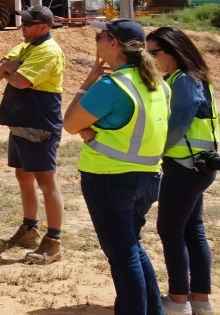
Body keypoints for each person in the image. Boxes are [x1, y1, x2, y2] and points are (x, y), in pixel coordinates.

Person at [65, 18, 170, 315]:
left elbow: (70, 124)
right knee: (131, 248)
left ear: (113, 44)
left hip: (110, 179)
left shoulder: (112, 85)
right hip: (148, 178)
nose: (95, 39)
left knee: (123, 256)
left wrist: (87, 84)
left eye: (100, 35)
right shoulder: (158, 84)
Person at [0, 5, 65, 263]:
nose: (23, 27)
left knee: (46, 180)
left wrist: (9, 69)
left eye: (29, 24)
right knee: (23, 176)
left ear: (45, 27)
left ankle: (53, 240)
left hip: (38, 122)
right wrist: (10, 67)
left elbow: (20, 80)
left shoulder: (48, 51)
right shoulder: (27, 46)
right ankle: (29, 229)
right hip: (23, 121)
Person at [148, 27, 216, 315]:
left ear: (173, 51)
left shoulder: (184, 81)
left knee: (170, 228)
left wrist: (154, 150)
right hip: (198, 164)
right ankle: (200, 299)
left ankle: (178, 301)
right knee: (192, 229)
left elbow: (177, 125)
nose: (150, 59)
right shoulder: (192, 77)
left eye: (154, 53)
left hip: (184, 165)